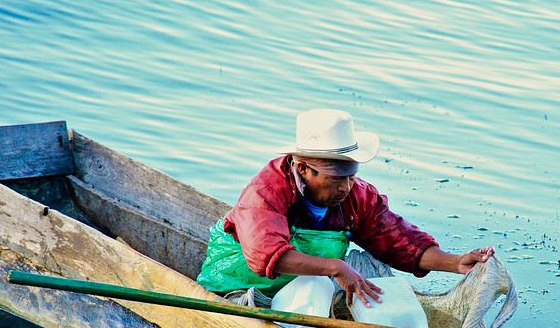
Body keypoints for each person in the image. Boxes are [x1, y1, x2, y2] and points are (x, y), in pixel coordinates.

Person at [197, 108, 494, 307]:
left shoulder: (356, 198)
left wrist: (455, 262)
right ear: (302, 169)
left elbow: (400, 243)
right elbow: (265, 255)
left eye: (352, 176)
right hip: (237, 287)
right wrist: (335, 266)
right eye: (336, 178)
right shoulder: (265, 193)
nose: (346, 188)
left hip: (303, 293)